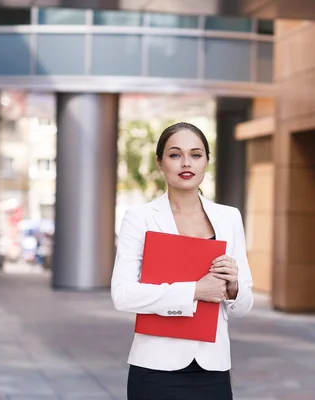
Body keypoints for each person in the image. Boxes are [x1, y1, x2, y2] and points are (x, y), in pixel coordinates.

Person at [111, 122, 254, 400]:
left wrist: (234, 287)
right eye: (175, 155)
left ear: (207, 161)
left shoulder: (229, 217)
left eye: (196, 154)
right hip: (154, 369)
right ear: (160, 163)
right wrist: (195, 291)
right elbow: (122, 295)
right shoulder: (141, 218)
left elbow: (242, 306)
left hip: (212, 369)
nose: (186, 163)